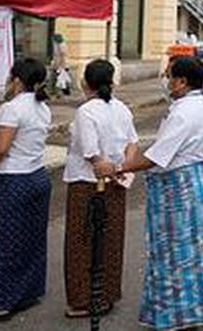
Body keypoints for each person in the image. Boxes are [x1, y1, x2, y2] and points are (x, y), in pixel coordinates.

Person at [116, 56, 203, 330]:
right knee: (193, 252)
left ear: (182, 82)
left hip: (178, 190)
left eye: (169, 75)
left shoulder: (184, 112)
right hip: (195, 181)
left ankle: (175, 316)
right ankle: (193, 311)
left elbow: (157, 157)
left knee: (173, 254)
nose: (166, 80)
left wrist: (119, 166)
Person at [0, 58, 53, 323]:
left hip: (12, 182)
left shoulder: (11, 108)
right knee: (29, 240)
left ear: (17, 80)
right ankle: (25, 294)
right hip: (37, 177)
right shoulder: (42, 107)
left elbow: (1, 148)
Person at [62, 59, 139, 318]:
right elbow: (133, 143)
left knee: (81, 239)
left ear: (85, 82)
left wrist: (102, 165)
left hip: (87, 184)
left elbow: (90, 151)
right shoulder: (121, 108)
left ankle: (84, 299)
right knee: (111, 238)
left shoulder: (86, 111)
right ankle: (107, 294)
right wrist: (123, 166)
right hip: (117, 182)